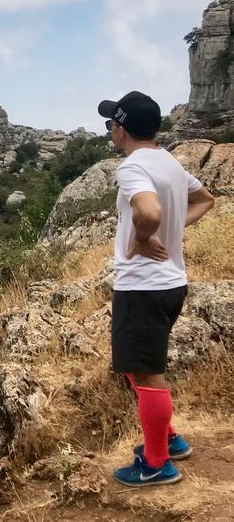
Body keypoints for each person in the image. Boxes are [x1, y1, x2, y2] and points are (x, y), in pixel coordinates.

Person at [98, 91, 215, 487]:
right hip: (172, 284)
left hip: (142, 287)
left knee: (147, 375)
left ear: (122, 128)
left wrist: (146, 236)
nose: (110, 130)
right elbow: (206, 199)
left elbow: (148, 212)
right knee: (139, 366)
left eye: (111, 123)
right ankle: (167, 439)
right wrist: (173, 228)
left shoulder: (132, 168)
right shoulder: (169, 163)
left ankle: (156, 463)